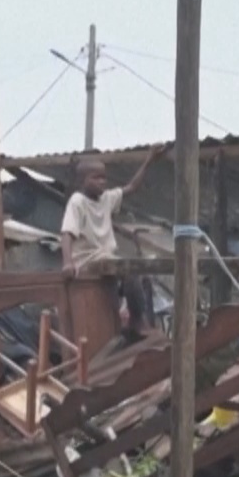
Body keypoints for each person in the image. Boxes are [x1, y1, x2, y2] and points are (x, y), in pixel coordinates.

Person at [62, 145, 167, 341]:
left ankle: (133, 319)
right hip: (87, 260)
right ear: (83, 180)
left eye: (104, 177)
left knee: (140, 276)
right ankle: (136, 321)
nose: (102, 182)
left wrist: (149, 160)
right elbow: (67, 233)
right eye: (96, 178)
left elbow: (132, 187)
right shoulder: (77, 202)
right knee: (128, 269)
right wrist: (68, 262)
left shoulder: (106, 198)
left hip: (107, 258)